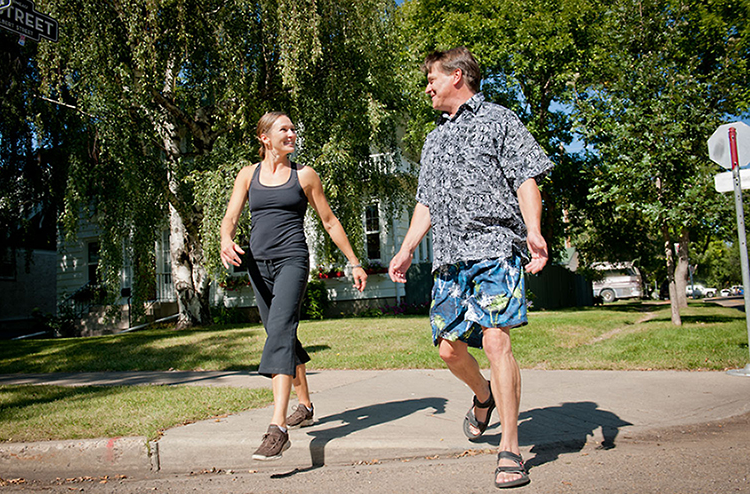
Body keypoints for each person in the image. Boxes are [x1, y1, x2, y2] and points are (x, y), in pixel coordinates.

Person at [388, 47, 553, 489]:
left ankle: (511, 449)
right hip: (449, 257)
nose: (427, 87)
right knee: (447, 349)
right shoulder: (433, 139)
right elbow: (427, 202)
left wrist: (533, 230)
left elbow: (525, 178)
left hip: (496, 248)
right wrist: (406, 249)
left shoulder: (499, 120)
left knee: (498, 343)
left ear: (457, 76)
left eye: (432, 79)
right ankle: (483, 397)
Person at [220, 111, 368, 461]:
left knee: (280, 332)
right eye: (283, 129)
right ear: (265, 138)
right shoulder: (247, 175)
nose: (292, 133)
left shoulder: (304, 176)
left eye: (292, 128)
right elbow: (230, 217)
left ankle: (278, 428)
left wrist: (354, 261)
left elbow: (329, 222)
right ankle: (305, 404)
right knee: (280, 331)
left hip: (292, 261)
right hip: (257, 265)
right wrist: (225, 238)